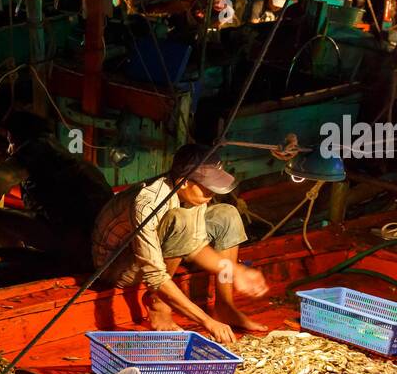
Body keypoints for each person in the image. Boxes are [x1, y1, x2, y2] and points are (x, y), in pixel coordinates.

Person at [90, 145, 269, 345]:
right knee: (180, 220)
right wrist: (206, 321)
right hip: (115, 266)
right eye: (207, 187)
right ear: (183, 182)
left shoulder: (194, 196)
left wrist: (235, 271)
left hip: (154, 252)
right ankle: (158, 303)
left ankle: (224, 306)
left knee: (227, 214)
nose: (211, 193)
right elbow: (155, 274)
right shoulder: (148, 202)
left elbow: (196, 246)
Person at [0, 109, 113, 271]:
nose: (9, 149)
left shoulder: (34, 149)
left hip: (77, 244)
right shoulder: (57, 152)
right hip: (103, 243)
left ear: (18, 137)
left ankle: (17, 267)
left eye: (10, 141)